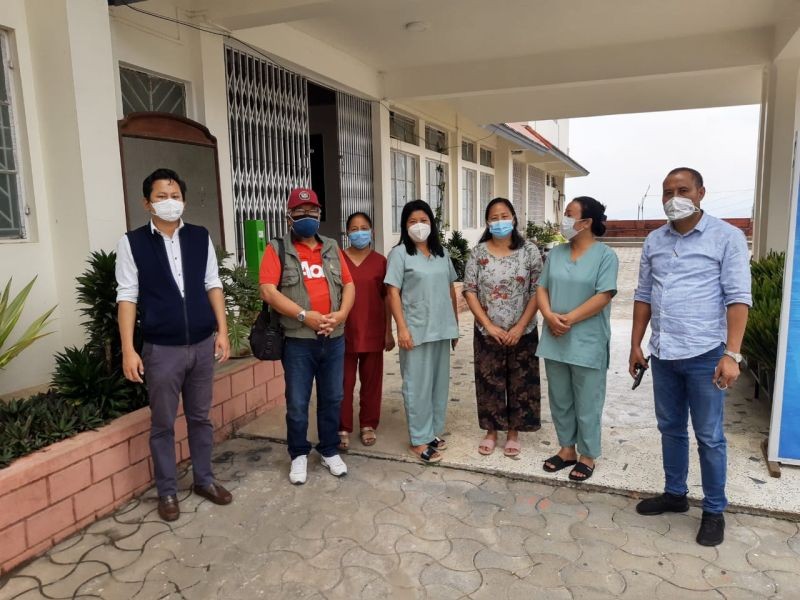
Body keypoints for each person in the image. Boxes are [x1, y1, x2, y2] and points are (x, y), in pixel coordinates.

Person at [631, 167, 751, 547]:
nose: (673, 197)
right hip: (664, 352)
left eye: (682, 189)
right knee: (670, 428)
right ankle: (675, 494)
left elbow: (738, 298)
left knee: (710, 436)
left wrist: (732, 354)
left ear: (701, 192)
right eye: (667, 191)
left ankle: (714, 510)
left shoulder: (727, 237)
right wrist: (636, 344)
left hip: (706, 354)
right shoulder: (654, 240)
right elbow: (644, 294)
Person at [116, 168, 233, 522]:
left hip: (201, 344)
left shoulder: (199, 237)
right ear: (147, 203)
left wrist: (223, 332)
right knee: (163, 424)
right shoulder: (132, 242)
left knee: (200, 418)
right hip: (161, 349)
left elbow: (213, 284)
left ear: (183, 199)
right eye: (161, 197)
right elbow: (127, 296)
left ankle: (204, 480)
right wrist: (128, 349)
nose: (169, 203)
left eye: (175, 196)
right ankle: (167, 491)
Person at [259, 188, 355, 485]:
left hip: (334, 338)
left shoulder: (331, 247)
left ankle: (327, 449)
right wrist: (305, 315)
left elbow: (349, 286)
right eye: (299, 212)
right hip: (299, 341)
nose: (306, 217)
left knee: (332, 397)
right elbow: (268, 290)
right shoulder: (277, 249)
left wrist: (340, 315)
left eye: (311, 212)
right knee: (298, 402)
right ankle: (298, 453)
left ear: (319, 213)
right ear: (289, 216)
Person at [536, 196, 618, 482]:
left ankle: (587, 454)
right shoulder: (556, 253)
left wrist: (567, 319)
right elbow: (542, 288)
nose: (564, 219)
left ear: (586, 223)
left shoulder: (606, 256)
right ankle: (566, 449)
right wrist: (548, 315)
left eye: (569, 214)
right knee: (560, 398)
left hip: (587, 340)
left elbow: (604, 295)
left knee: (588, 400)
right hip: (555, 337)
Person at [463, 198, 543, 457]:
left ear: (514, 218)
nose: (500, 221)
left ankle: (513, 432)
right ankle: (491, 430)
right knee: (489, 381)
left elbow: (537, 290)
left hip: (523, 330)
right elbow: (470, 290)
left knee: (521, 382)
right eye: (494, 217)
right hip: (488, 331)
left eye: (504, 215)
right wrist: (488, 325)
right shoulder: (478, 253)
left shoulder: (530, 251)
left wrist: (520, 327)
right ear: (487, 222)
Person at [385, 200, 459, 464]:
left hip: (441, 329)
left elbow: (450, 288)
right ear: (405, 226)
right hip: (415, 331)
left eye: (424, 220)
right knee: (417, 386)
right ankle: (419, 439)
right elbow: (392, 292)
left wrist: (455, 327)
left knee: (438, 385)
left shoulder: (442, 253)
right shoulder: (400, 254)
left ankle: (432, 432)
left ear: (432, 223)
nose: (419, 226)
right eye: (412, 221)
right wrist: (401, 328)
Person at [338, 212, 395, 451]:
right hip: (343, 331)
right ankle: (342, 427)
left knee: (372, 382)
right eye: (354, 228)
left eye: (364, 227)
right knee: (343, 382)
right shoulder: (337, 258)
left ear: (371, 231)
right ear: (347, 232)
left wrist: (388, 331)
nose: (359, 232)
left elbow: (387, 298)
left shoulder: (381, 261)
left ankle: (368, 424)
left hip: (373, 330)